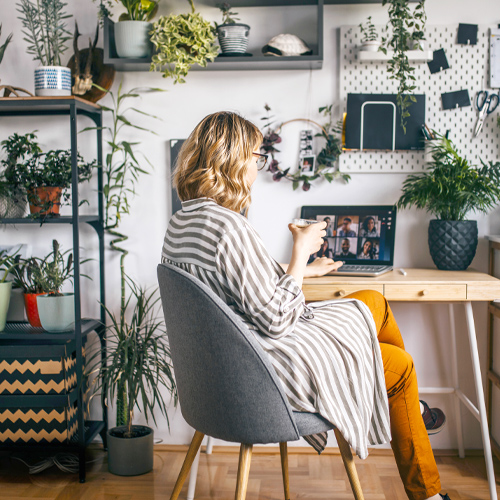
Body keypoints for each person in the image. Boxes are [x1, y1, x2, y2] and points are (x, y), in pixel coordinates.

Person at [161, 112, 448, 500]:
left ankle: (406, 402)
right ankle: (426, 484)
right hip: (269, 369)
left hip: (228, 372)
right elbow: (277, 318)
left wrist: (302, 272)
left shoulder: (185, 223)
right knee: (398, 367)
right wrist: (300, 253)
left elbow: (232, 281)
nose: (256, 168)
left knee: (373, 301)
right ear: (230, 160)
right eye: (254, 157)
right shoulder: (229, 227)